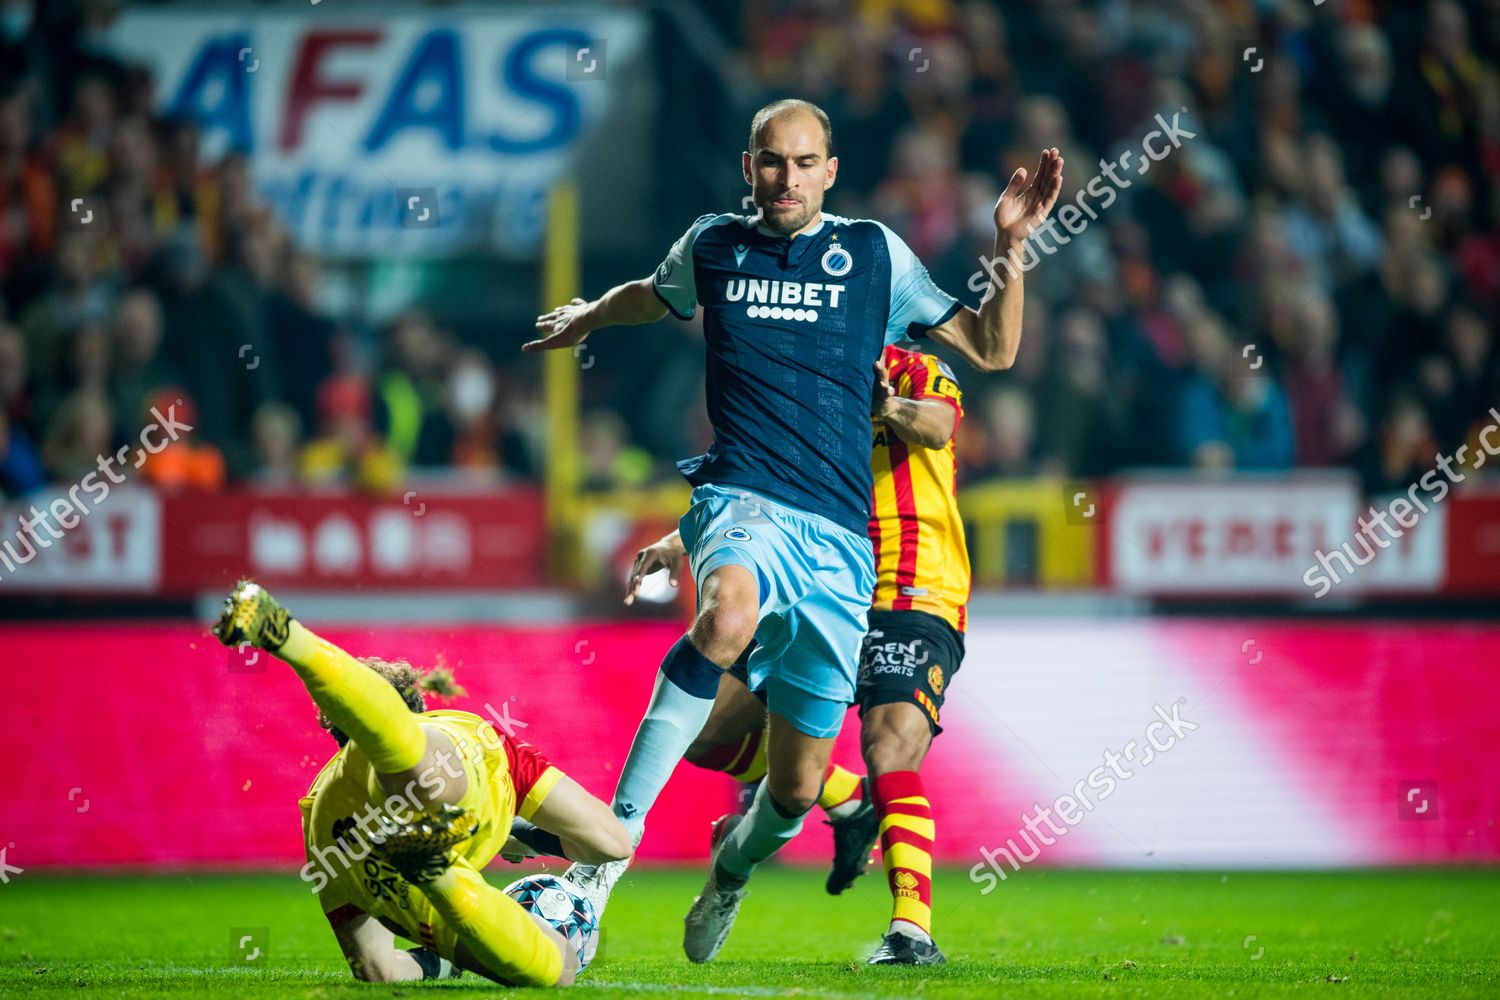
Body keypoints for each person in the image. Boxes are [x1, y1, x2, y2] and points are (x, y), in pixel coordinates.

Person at [524, 97, 1060, 963]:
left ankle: (732, 866)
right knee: (725, 614)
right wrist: (586, 316)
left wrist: (1012, 241)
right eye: (771, 162)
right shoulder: (713, 246)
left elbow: (992, 351)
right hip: (746, 500)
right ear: (748, 168)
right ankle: (602, 859)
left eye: (804, 162)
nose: (786, 178)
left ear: (830, 171)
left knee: (797, 786)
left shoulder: (875, 258)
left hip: (845, 549)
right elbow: (649, 298)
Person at [627, 343, 970, 965]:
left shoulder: (907, 363)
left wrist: (886, 406)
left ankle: (910, 931)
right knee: (704, 735)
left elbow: (940, 424)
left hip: (908, 584)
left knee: (889, 744)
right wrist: (681, 539)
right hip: (818, 574)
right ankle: (843, 795)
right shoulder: (796, 372)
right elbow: (763, 480)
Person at [210, 579, 631, 987]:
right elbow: (612, 844)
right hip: (444, 795)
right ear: (421, 708)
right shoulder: (466, 729)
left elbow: (376, 969)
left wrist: (512, 839)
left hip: (342, 831)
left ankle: (288, 638)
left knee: (405, 764)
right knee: (559, 968)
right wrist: (524, 835)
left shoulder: (319, 810)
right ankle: (442, 874)